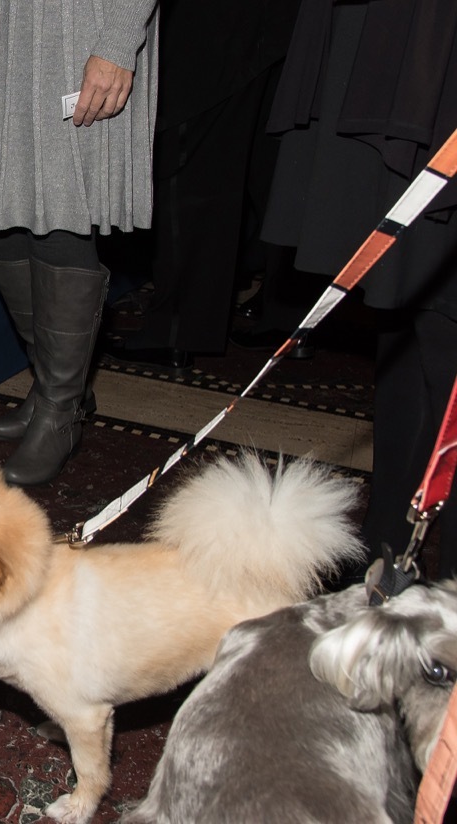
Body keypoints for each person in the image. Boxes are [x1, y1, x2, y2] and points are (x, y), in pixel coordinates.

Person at [259, 0, 457, 581]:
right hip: (394, 44)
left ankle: (431, 585)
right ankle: (387, 548)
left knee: (437, 318)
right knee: (408, 311)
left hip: (430, 55)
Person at [0, 0, 158, 486]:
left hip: (76, 26)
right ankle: (58, 385)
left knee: (62, 216)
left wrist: (119, 36)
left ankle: (60, 410)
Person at [106, 0, 300, 370]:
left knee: (190, 167)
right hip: (276, 21)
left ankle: (178, 332)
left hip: (212, 23)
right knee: (271, 167)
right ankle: (288, 318)